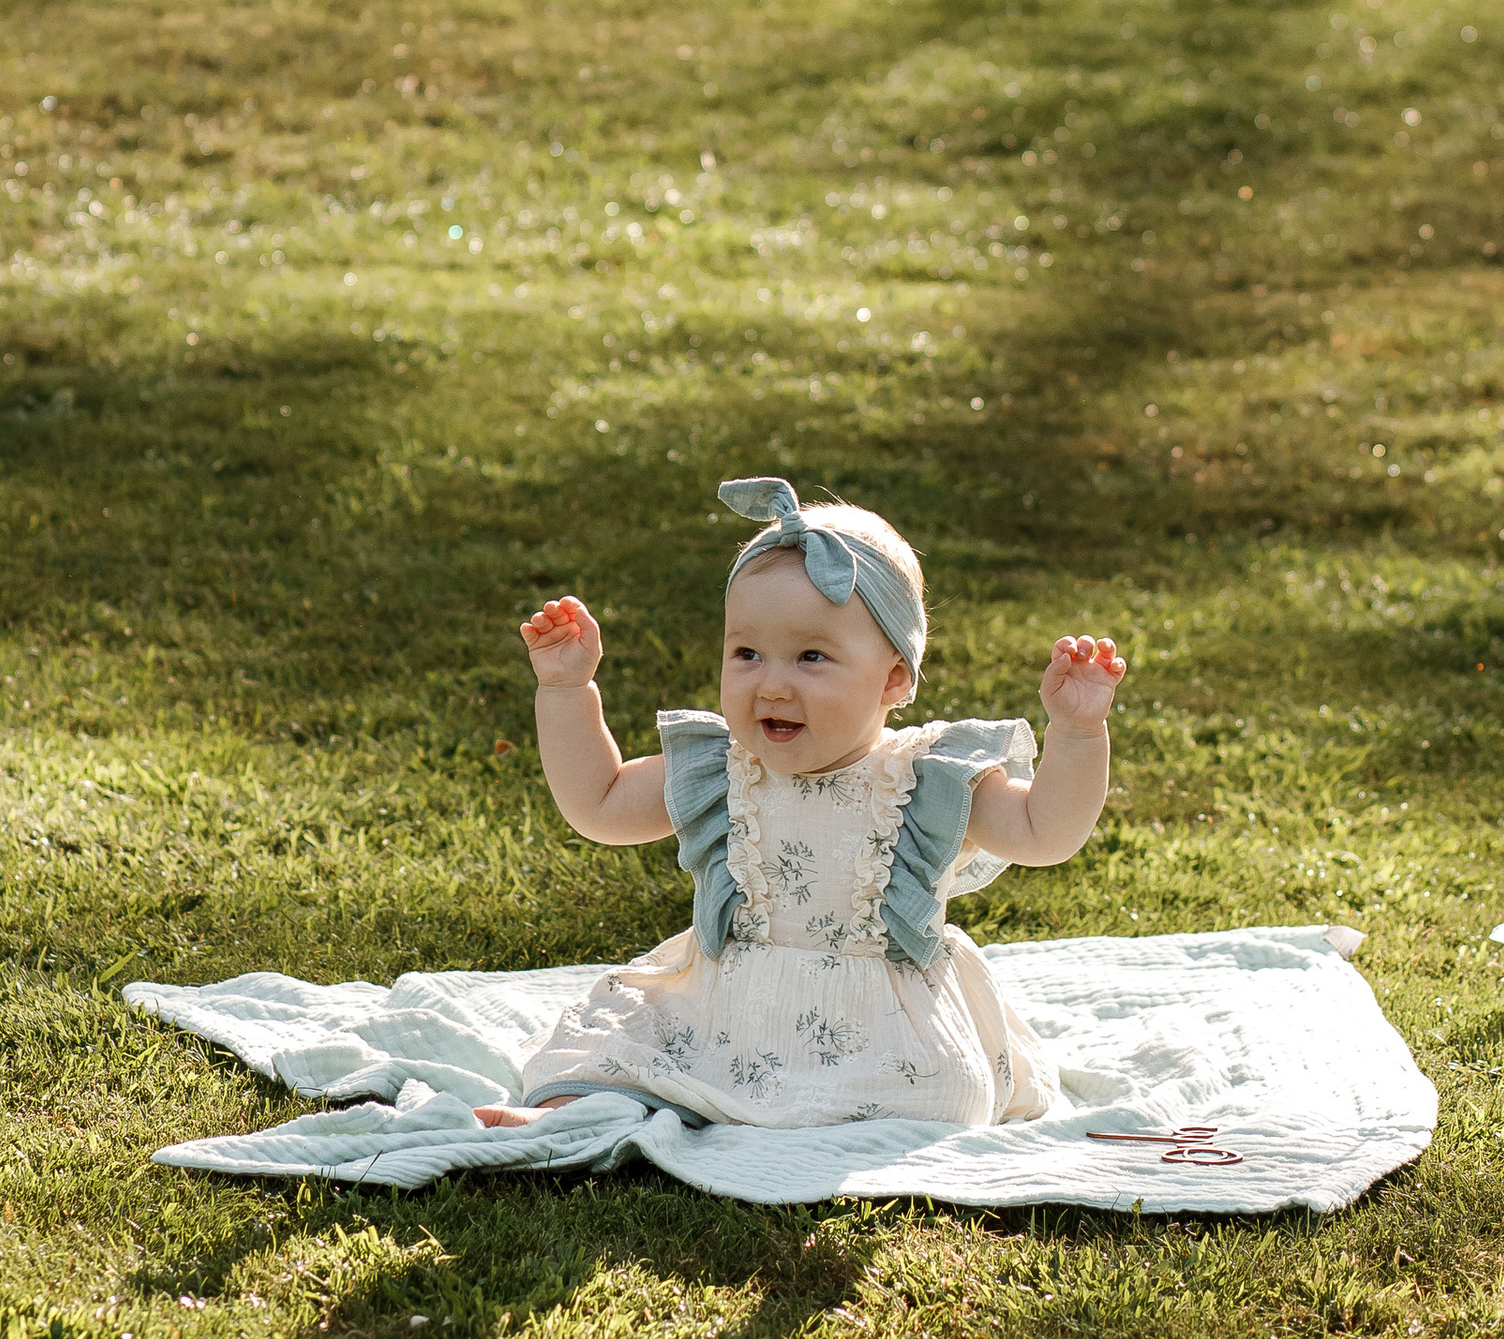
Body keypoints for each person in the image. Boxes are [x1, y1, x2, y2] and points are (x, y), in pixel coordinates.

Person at [477, 471, 1125, 1129]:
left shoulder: (924, 780)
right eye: (748, 653)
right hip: (730, 1007)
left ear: (894, 676)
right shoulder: (723, 767)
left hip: (879, 1021)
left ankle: (802, 1125)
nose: (772, 686)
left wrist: (1076, 735)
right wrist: (566, 692)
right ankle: (582, 1117)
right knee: (614, 1049)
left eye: (811, 656)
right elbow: (600, 804)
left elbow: (1047, 832)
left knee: (941, 1099)